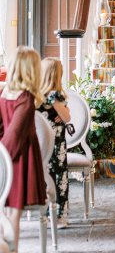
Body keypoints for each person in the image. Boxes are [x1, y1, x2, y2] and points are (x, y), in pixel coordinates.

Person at [0, 46, 46, 253]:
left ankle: (9, 252)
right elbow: (15, 135)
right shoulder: (26, 98)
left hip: (4, 156)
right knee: (12, 213)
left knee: (6, 210)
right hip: (18, 159)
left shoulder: (4, 93)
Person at [38, 57, 70, 228]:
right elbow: (67, 117)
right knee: (59, 179)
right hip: (55, 145)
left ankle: (43, 212)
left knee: (45, 178)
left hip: (40, 146)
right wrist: (64, 110)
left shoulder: (36, 95)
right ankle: (59, 216)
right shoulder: (53, 96)